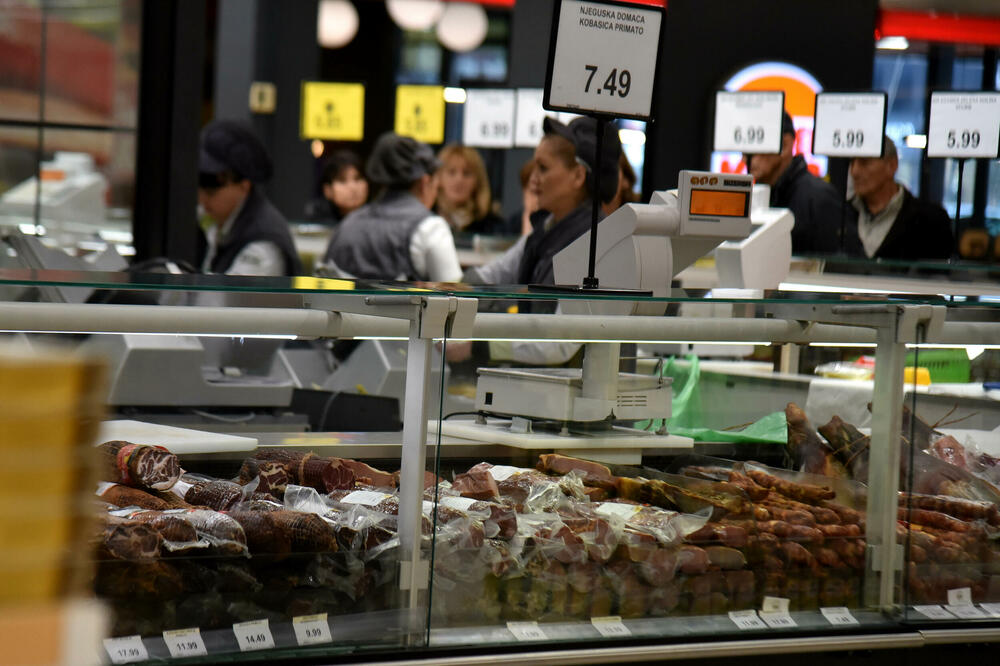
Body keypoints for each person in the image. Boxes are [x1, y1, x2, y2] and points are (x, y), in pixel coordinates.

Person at [321, 132, 462, 282]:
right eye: (436, 186)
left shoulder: (347, 225)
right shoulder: (431, 228)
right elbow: (454, 296)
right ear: (424, 183)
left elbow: (323, 282)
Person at [197, 119, 303, 276]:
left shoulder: (263, 243)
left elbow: (227, 298)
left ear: (243, 186)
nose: (202, 200)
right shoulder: (222, 225)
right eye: (200, 190)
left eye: (212, 192)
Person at [744, 111, 843, 255]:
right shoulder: (755, 198)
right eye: (743, 152)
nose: (745, 160)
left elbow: (835, 270)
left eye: (755, 145)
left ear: (784, 146)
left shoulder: (819, 198)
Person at [847, 134, 953, 260]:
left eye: (865, 162)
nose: (854, 171)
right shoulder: (840, 214)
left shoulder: (930, 221)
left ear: (892, 166)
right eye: (852, 162)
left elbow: (937, 276)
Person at [435, 143, 505, 235]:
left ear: (478, 181)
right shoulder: (427, 221)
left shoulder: (494, 226)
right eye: (451, 172)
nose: (459, 180)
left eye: (466, 173)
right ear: (438, 178)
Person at [306, 149, 369, 224]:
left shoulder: (377, 220)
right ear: (327, 190)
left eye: (358, 178)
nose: (353, 187)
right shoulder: (317, 225)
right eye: (342, 180)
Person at [503, 158, 540, 237]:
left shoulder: (553, 222)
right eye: (533, 192)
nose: (537, 199)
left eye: (541, 192)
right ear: (524, 190)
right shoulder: (512, 223)